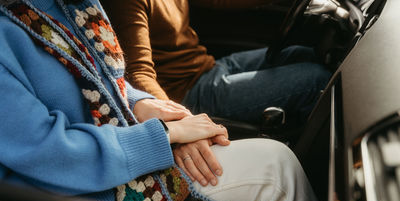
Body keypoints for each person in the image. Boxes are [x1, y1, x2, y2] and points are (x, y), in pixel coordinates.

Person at [0, 0, 323, 201]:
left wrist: (142, 105)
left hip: (121, 150)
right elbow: (48, 153)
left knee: (274, 160)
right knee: (264, 184)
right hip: (73, 198)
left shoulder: (73, 3)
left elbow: (110, 79)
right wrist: (165, 136)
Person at [101, 0, 331, 125]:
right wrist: (179, 122)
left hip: (209, 67)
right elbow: (138, 75)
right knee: (315, 79)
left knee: (303, 53)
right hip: (189, 93)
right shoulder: (125, 3)